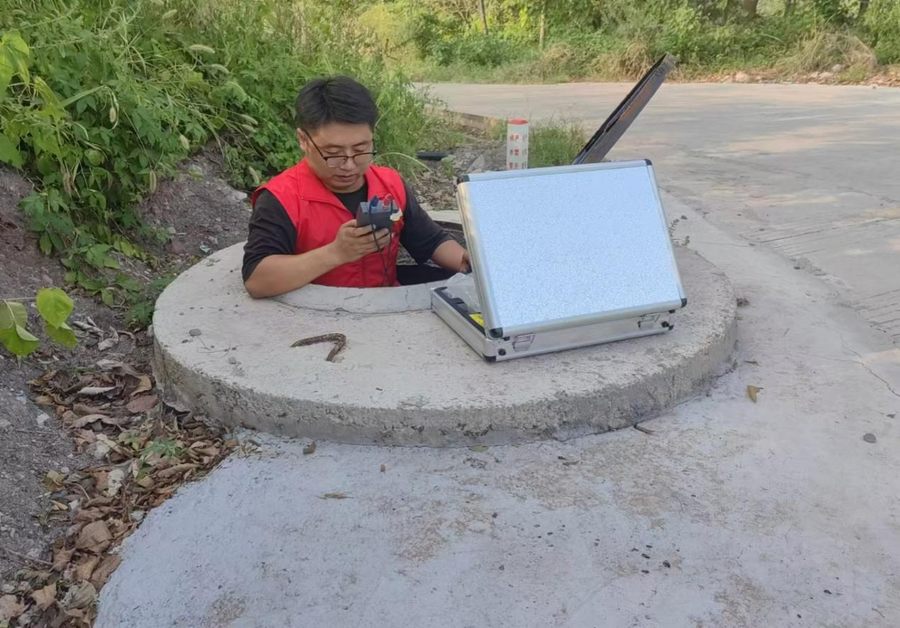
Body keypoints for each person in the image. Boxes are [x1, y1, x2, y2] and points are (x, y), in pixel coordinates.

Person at [242, 76, 469, 298]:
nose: (349, 165)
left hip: (385, 304)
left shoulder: (389, 184)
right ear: (303, 140)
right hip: (317, 313)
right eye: (333, 153)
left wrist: (469, 262)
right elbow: (257, 280)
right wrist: (335, 253)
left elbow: (431, 241)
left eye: (361, 149)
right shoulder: (281, 198)